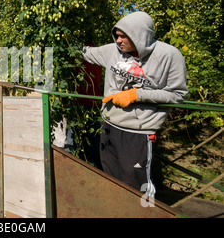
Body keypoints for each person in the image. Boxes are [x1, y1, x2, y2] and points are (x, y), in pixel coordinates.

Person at [80, 11, 188, 198]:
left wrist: (137, 95)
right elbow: (85, 53)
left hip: (138, 131)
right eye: (117, 35)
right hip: (108, 126)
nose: (118, 41)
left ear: (139, 35)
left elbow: (178, 94)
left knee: (135, 182)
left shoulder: (168, 55)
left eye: (124, 36)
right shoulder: (112, 51)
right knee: (110, 178)